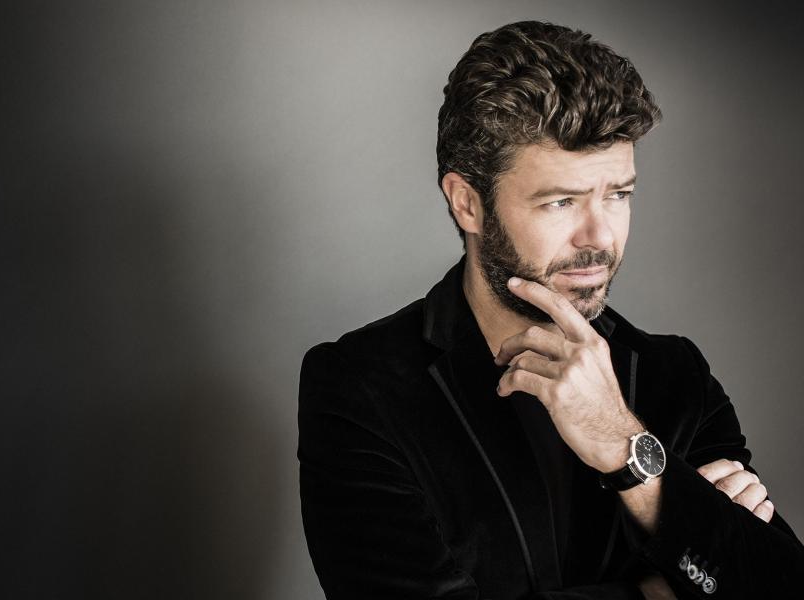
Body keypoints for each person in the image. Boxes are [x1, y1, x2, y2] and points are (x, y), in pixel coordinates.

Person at [298, 21, 804, 599]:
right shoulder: (360, 387)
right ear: (468, 203)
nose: (599, 237)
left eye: (619, 195)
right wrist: (653, 590)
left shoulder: (677, 376)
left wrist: (623, 446)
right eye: (561, 201)